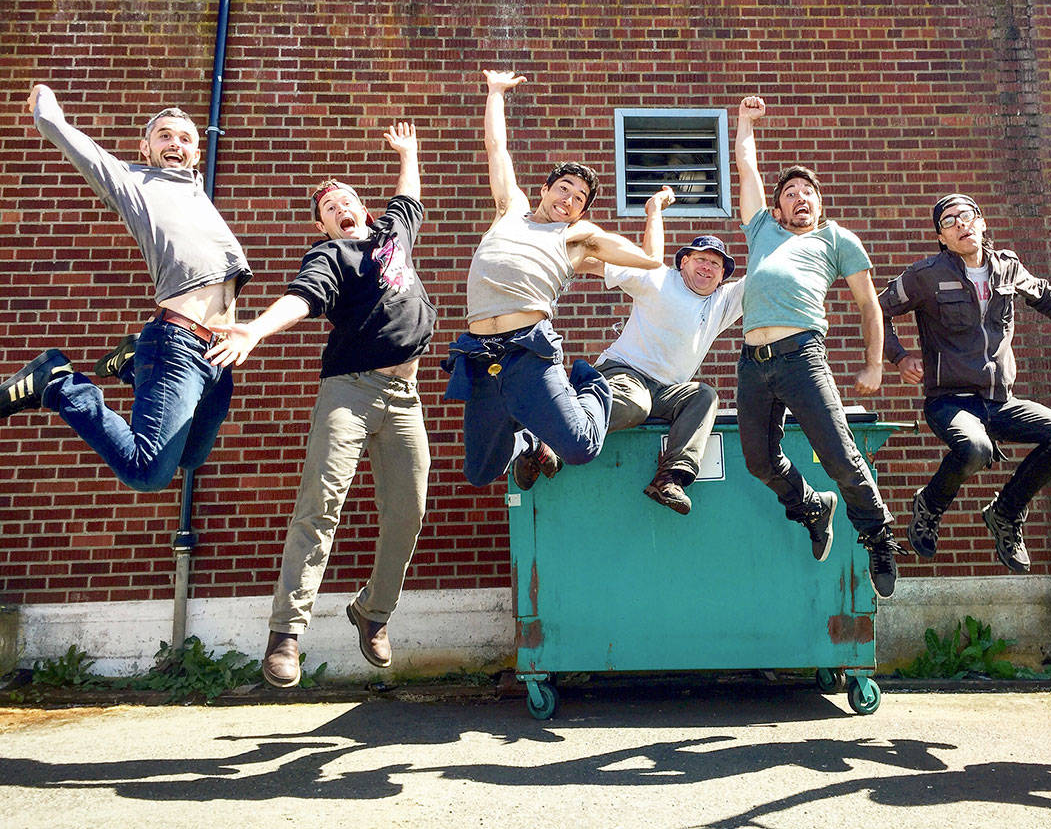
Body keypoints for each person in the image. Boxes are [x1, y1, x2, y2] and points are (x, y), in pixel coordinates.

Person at [205, 122, 435, 688]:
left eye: (348, 201)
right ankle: (285, 635)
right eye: (330, 207)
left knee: (409, 513)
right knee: (321, 505)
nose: (342, 209)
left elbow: (410, 194)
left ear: (365, 207)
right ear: (323, 223)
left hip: (407, 398)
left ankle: (373, 612)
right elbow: (303, 298)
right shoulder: (331, 255)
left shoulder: (393, 234)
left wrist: (408, 152)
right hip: (349, 392)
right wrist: (254, 331)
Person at [0, 86, 251, 492]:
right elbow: (68, 138)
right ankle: (59, 384)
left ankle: (134, 365)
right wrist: (46, 104)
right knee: (147, 472)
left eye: (185, 139)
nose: (175, 144)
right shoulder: (135, 183)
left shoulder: (193, 192)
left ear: (196, 153)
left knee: (190, 457)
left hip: (218, 357)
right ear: (145, 147)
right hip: (178, 345)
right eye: (165, 136)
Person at [443, 71, 664, 489]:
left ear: (581, 213)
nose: (569, 200)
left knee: (581, 446)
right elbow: (496, 148)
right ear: (544, 189)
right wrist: (494, 92)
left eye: (579, 199)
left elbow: (650, 260)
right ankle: (527, 441)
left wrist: (653, 214)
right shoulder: (510, 209)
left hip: (528, 351)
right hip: (479, 354)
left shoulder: (576, 238)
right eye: (564, 188)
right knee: (480, 472)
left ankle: (589, 383)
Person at [879, 194, 1051, 572]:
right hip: (949, 401)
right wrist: (900, 357)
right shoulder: (925, 275)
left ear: (981, 222)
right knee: (975, 448)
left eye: (966, 216)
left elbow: (1046, 296)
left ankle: (1005, 513)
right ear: (941, 237)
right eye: (949, 221)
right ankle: (929, 506)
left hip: (1000, 401)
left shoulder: (1007, 266)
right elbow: (877, 310)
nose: (960, 225)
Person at [733, 95, 902, 598]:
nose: (799, 197)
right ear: (778, 206)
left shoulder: (836, 239)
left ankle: (878, 536)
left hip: (802, 357)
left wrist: (874, 362)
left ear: (819, 204)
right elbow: (747, 167)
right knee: (759, 462)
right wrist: (745, 121)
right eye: (790, 192)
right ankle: (811, 505)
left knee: (841, 457)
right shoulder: (761, 229)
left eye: (808, 192)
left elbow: (869, 305)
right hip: (752, 363)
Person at [573, 187, 745, 514]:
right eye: (701, 259)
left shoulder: (722, 303)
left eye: (715, 264)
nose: (708, 268)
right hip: (624, 372)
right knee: (636, 403)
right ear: (684, 262)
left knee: (704, 395)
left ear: (723, 276)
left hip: (667, 392)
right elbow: (594, 265)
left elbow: (764, 279)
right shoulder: (659, 279)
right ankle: (556, 432)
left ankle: (668, 480)